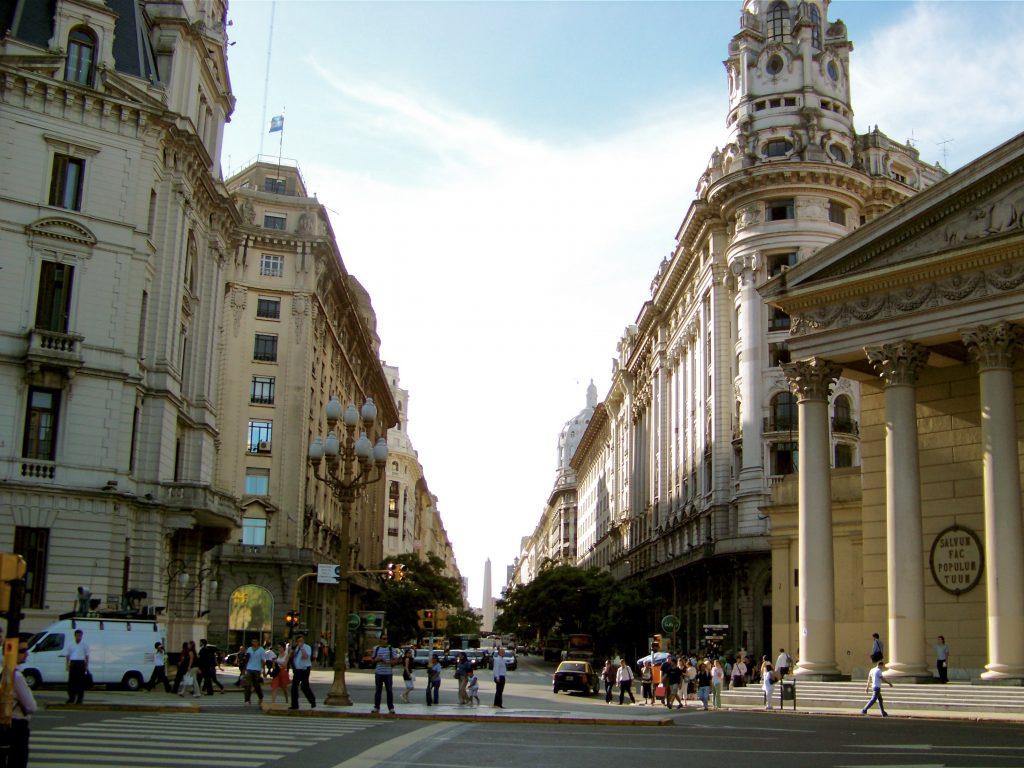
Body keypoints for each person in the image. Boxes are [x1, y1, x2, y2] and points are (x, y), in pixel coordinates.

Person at [8, 640, 38, 768]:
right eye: (22, 651)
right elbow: (31, 706)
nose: (26, 654)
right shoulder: (17, 676)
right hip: (18, 723)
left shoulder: (4, 670)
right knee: (18, 760)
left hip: (7, 722)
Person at [370, 635, 400, 714]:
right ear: (380, 640)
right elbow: (372, 660)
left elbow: (396, 661)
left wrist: (387, 662)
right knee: (378, 691)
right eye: (383, 639)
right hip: (379, 672)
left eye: (386, 639)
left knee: (389, 690)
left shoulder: (391, 649)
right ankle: (376, 707)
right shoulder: (376, 649)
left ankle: (391, 708)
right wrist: (378, 659)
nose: (385, 640)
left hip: (388, 673)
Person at [289, 632, 317, 710]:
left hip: (305, 669)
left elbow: (305, 657)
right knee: (294, 687)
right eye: (299, 641)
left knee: (304, 687)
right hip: (297, 670)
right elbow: (293, 658)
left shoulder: (307, 647)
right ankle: (294, 705)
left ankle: (312, 701)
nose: (300, 642)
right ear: (297, 642)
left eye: (302, 641)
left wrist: (302, 648)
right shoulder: (296, 648)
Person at [65, 629, 90, 704]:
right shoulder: (70, 644)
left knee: (80, 683)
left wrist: (86, 666)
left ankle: (79, 699)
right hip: (73, 663)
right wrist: (67, 665)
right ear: (75, 636)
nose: (79, 637)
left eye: (80, 636)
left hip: (81, 663)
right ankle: (71, 698)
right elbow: (68, 655)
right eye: (78, 635)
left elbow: (87, 656)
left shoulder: (85, 645)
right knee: (71, 682)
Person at [243, 637, 266, 706]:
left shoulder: (261, 650)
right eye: (253, 641)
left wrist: (263, 670)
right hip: (249, 668)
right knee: (247, 685)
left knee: (256, 686)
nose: (254, 643)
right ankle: (247, 700)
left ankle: (260, 697)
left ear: (258, 642)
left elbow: (263, 660)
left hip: (257, 669)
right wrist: (244, 669)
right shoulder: (249, 649)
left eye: (256, 641)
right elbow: (246, 659)